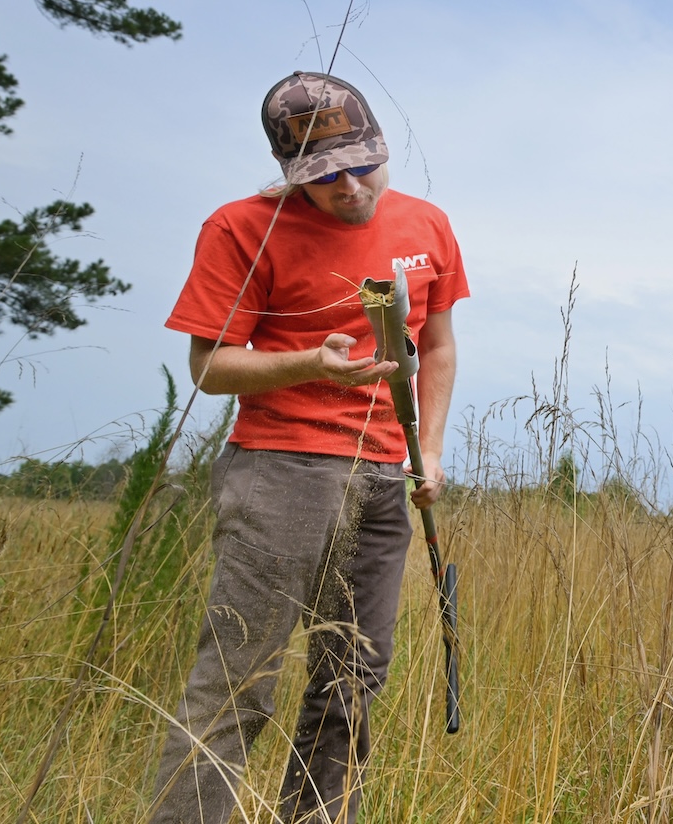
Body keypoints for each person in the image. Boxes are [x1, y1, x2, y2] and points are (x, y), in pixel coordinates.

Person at [148, 72, 469, 824]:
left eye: (363, 163)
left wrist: (429, 448)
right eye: (325, 175)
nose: (351, 187)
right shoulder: (239, 226)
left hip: (385, 476)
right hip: (279, 470)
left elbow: (439, 347)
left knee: (352, 681)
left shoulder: (428, 225)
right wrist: (308, 364)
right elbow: (210, 367)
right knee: (237, 683)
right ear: (291, 169)